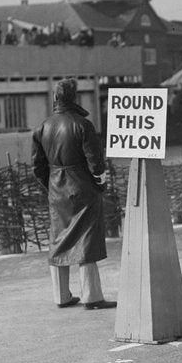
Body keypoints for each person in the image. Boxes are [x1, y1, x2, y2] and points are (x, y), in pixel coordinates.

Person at [31, 78, 116, 310]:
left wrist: (51, 188)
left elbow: (37, 167)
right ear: (73, 97)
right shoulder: (83, 125)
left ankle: (61, 296)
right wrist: (100, 183)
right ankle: (92, 297)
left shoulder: (42, 127)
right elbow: (96, 164)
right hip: (82, 188)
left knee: (58, 240)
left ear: (55, 98)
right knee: (86, 240)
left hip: (56, 189)